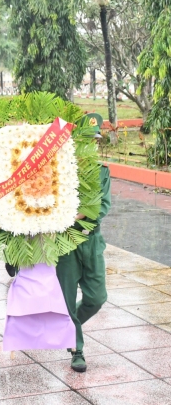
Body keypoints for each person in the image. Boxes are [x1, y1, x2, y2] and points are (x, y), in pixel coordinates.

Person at [56, 114, 111, 372]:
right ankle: (77, 349)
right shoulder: (60, 171)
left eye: (95, 141)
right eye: (86, 141)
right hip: (66, 243)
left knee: (97, 297)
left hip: (91, 240)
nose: (91, 146)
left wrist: (79, 213)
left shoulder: (102, 172)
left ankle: (68, 326)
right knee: (67, 299)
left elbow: (102, 206)